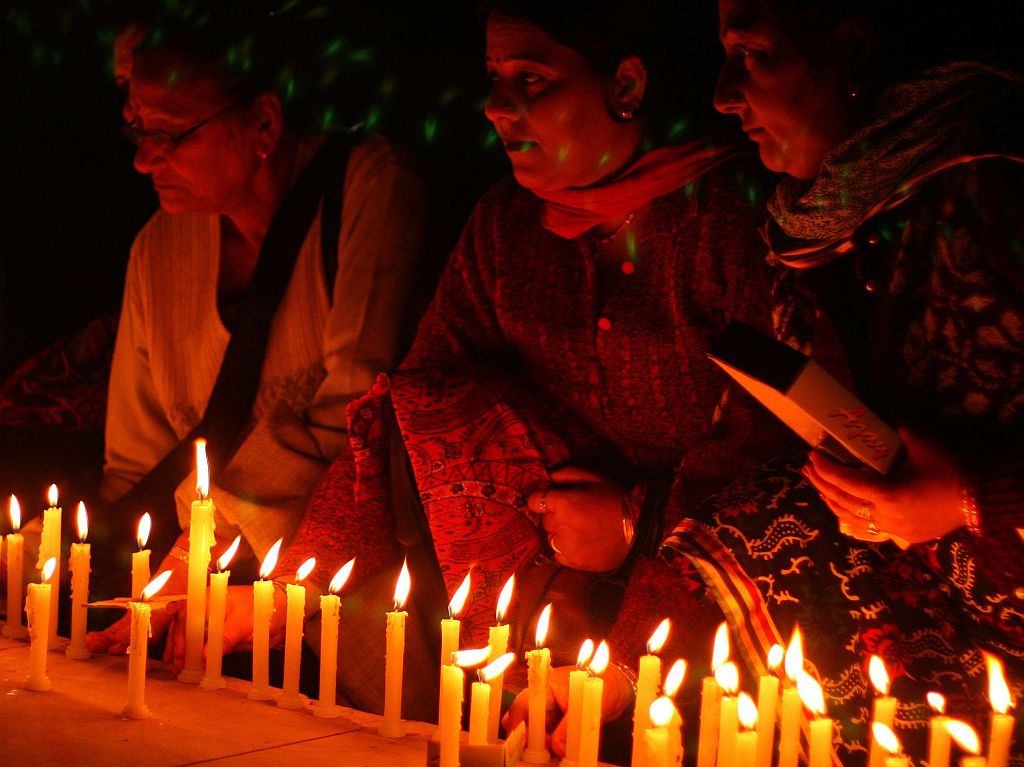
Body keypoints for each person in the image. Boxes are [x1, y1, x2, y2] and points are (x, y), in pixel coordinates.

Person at [199, 0, 791, 726]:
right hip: (533, 619)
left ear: (627, 89)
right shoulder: (507, 226)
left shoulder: (735, 226)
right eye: (491, 77)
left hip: (711, 615)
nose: (496, 106)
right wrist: (281, 593)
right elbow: (404, 410)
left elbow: (765, 461)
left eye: (531, 79)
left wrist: (635, 543)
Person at [506, 0, 1024, 762]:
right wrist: (612, 673)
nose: (722, 94)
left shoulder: (997, 192)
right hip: (921, 592)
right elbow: (770, 477)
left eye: (752, 54)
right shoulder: (807, 233)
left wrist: (967, 498)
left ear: (849, 49)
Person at [85, 3, 427, 655]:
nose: (143, 160)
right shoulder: (158, 248)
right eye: (136, 131)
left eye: (172, 133)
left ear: (264, 121)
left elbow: (354, 411)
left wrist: (200, 560)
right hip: (181, 604)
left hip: (340, 605)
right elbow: (135, 458)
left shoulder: (371, 186)